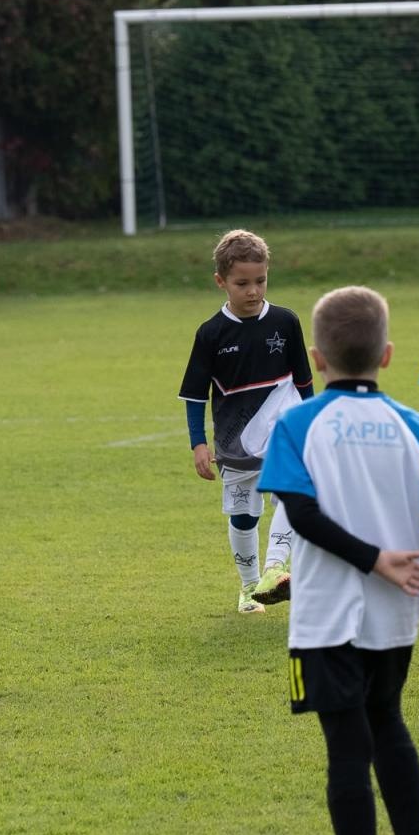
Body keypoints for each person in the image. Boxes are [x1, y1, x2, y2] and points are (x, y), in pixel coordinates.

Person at [259, 285, 419, 835]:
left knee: (347, 750)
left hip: (324, 617)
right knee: (390, 728)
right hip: (393, 617)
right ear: (388, 355)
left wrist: (371, 557)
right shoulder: (412, 424)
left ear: (316, 360)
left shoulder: (298, 424)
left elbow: (302, 516)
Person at [177, 229, 314, 614]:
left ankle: (275, 569)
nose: (253, 291)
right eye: (242, 283)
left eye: (260, 281)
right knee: (244, 516)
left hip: (285, 428)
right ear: (221, 282)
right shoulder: (210, 333)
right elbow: (194, 394)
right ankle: (251, 587)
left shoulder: (286, 322)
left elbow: (304, 382)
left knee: (293, 493)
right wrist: (197, 442)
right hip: (235, 441)